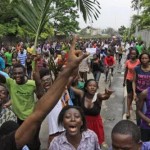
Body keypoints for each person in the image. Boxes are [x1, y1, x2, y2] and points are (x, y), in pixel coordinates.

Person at [0, 36, 89, 150]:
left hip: (58, 127)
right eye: (44, 81)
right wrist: (35, 64)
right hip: (45, 129)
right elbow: (37, 83)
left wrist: (73, 65)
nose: (46, 83)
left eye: (49, 80)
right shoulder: (40, 95)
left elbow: (72, 76)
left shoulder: (61, 89)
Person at [71, 79, 113, 145]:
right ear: (86, 87)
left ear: (96, 88)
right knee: (83, 144)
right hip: (83, 124)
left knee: (96, 144)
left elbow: (104, 96)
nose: (92, 87)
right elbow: (71, 88)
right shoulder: (82, 94)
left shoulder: (98, 96)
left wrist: (108, 94)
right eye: (90, 85)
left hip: (96, 125)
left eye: (94, 86)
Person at [132, 53, 150, 125]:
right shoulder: (137, 69)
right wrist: (134, 93)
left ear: (149, 59)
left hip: (148, 94)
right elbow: (134, 81)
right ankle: (139, 126)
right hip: (139, 93)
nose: (144, 60)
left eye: (146, 58)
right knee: (139, 110)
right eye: (142, 58)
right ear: (140, 59)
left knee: (147, 111)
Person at [123, 48, 140, 118]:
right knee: (129, 95)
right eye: (131, 53)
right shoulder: (127, 62)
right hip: (129, 80)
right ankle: (128, 111)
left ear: (136, 54)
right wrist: (124, 81)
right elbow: (126, 71)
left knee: (134, 95)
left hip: (137, 81)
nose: (132, 55)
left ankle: (131, 107)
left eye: (134, 54)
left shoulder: (139, 62)